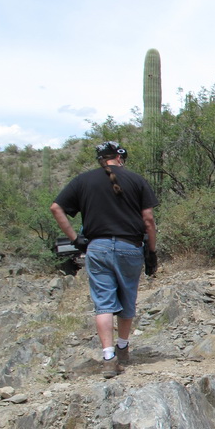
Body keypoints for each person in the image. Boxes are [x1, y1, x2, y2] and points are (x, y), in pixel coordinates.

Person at [50, 141, 158, 378]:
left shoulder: (83, 181)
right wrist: (152, 252)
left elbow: (56, 208)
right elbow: (148, 219)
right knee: (127, 296)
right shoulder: (137, 180)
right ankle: (123, 347)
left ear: (100, 159)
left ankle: (108, 358)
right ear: (120, 157)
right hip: (130, 246)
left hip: (97, 247)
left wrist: (75, 239)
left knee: (104, 302)